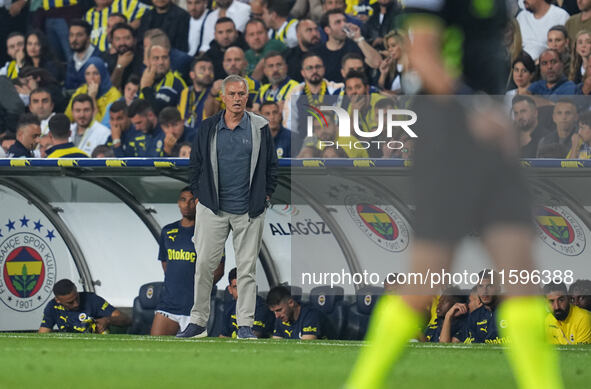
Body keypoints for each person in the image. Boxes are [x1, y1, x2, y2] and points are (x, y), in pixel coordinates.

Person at [346, 1, 564, 388]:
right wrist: (476, 106)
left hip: (490, 135)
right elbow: (421, 55)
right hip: (447, 131)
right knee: (427, 276)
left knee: (521, 271)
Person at [177, 75, 278, 339]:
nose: (237, 99)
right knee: (203, 268)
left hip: (249, 210)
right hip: (212, 209)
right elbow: (195, 164)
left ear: (247, 96)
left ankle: (245, 325)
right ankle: (197, 322)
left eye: (242, 94)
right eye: (232, 94)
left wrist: (265, 196)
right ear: (223, 97)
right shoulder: (208, 127)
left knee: (247, 270)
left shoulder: (260, 126)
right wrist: (200, 196)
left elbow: (271, 167)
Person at [151, 187, 225, 336]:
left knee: (194, 356)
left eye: (192, 200)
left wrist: (199, 288)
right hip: (168, 305)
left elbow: (219, 270)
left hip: (195, 309)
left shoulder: (210, 232)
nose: (187, 204)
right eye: (183, 200)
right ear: (178, 203)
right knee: (154, 350)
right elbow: (166, 264)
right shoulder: (168, 231)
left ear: (199, 203)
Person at [39, 279, 130, 333]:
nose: (76, 304)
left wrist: (107, 320)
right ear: (58, 300)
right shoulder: (52, 307)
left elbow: (126, 319)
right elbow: (43, 333)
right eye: (70, 302)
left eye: (77, 298)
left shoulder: (92, 299)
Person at [317, 9, 381, 83]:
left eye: (344, 21)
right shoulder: (318, 53)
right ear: (327, 30)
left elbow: (377, 63)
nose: (344, 25)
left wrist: (358, 38)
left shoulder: (357, 45)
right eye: (338, 22)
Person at [219, 268, 273, 338]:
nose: (240, 291)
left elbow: (254, 335)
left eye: (243, 286)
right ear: (230, 289)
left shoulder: (261, 306)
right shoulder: (229, 307)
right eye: (235, 287)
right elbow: (223, 335)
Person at [65, 57, 122, 123]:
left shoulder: (114, 95)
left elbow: (102, 126)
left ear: (102, 74)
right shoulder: (81, 91)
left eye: (95, 73)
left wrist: (92, 98)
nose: (91, 78)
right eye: (88, 74)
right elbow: (68, 117)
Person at [140, 36, 187, 115]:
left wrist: (145, 88)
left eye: (165, 57)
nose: (161, 62)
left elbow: (159, 111)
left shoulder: (173, 81)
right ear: (148, 61)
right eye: (156, 58)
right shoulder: (149, 79)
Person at [178, 56, 214, 134]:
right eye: (203, 69)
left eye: (210, 69)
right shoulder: (185, 92)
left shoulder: (215, 93)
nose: (208, 73)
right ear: (192, 74)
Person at [101, 23, 144, 90]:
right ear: (112, 41)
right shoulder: (106, 59)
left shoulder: (142, 57)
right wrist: (120, 66)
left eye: (127, 38)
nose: (122, 43)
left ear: (134, 40)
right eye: (118, 39)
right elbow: (110, 90)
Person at [65, 20, 101, 91]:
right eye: (71, 35)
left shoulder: (100, 58)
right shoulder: (71, 60)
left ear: (88, 38)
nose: (74, 39)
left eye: (79, 35)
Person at [285, 18, 321, 83]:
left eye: (316, 29)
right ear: (298, 35)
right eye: (309, 30)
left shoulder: (325, 52)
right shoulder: (288, 56)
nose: (315, 34)